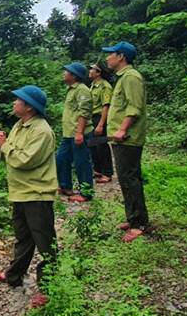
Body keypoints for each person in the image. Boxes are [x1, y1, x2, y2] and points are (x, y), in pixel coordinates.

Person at [0, 85, 57, 308]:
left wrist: (4, 145)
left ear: (29, 106)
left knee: (45, 241)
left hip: (36, 193)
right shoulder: (20, 126)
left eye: (18, 100)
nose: (14, 102)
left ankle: (49, 288)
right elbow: (9, 156)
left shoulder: (42, 131)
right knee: (23, 238)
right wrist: (1, 145)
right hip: (20, 192)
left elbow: (24, 160)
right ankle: (14, 276)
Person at [102, 42, 150, 243]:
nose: (107, 58)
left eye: (110, 54)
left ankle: (138, 224)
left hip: (128, 138)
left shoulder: (131, 77)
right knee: (127, 179)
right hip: (122, 138)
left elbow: (134, 107)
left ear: (120, 56)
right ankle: (133, 218)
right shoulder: (123, 78)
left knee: (129, 179)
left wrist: (122, 129)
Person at [56, 62, 94, 202]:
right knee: (61, 159)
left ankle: (86, 192)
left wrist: (79, 133)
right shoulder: (71, 89)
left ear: (74, 76)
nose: (64, 73)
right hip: (69, 133)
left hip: (79, 133)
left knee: (82, 162)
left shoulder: (82, 90)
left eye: (67, 72)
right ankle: (65, 186)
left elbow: (84, 113)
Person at [89, 60, 114, 183]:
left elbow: (106, 107)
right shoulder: (93, 85)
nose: (90, 71)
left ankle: (107, 172)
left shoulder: (105, 87)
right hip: (91, 118)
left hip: (99, 118)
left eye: (92, 69)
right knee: (92, 145)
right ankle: (98, 169)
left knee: (101, 145)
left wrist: (101, 124)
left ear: (98, 73)